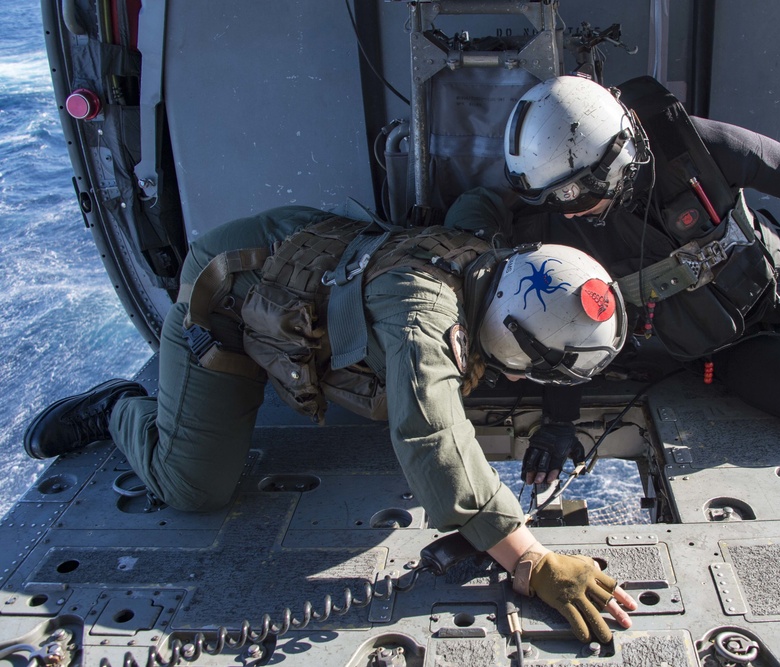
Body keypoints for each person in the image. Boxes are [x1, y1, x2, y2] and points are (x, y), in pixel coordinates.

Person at [23, 205, 637, 643]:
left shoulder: (489, 255)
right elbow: (432, 436)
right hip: (228, 296)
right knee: (192, 486)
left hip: (298, 259)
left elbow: (485, 201)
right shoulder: (424, 321)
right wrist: (531, 560)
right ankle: (118, 408)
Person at [445, 74, 780, 485]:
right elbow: (561, 330)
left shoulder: (692, 146)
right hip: (730, 347)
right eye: (553, 197)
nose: (568, 210)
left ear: (615, 159)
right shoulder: (557, 233)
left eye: (575, 194)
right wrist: (559, 423)